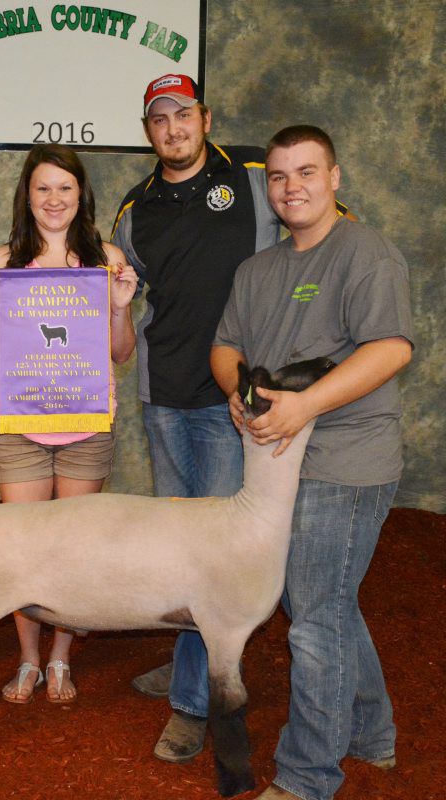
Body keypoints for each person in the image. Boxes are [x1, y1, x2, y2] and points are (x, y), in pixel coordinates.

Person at [111, 74, 351, 762]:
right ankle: (189, 663)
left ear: (204, 117)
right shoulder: (135, 208)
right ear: (148, 130)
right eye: (159, 119)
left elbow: (331, 232)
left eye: (182, 113)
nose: (172, 128)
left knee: (211, 563)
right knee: (176, 554)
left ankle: (191, 704)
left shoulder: (255, 176)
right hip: (165, 396)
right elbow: (115, 298)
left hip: (236, 404)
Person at [211, 125, 412, 800]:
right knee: (319, 602)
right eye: (278, 175)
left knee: (317, 615)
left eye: (306, 172)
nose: (291, 186)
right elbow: (226, 347)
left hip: (344, 460)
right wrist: (239, 395)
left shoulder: (366, 253)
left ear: (334, 178)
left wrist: (304, 408)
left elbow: (390, 349)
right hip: (275, 463)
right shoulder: (258, 269)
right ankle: (371, 731)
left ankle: (305, 779)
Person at [0, 143, 137, 704]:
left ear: (81, 195)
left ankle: (62, 658)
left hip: (86, 425)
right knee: (25, 549)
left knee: (74, 547)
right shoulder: (1, 263)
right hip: (19, 427)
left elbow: (121, 352)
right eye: (43, 188)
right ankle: (27, 660)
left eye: (65, 188)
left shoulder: (105, 260)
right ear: (27, 195)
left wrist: (119, 304)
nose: (54, 199)